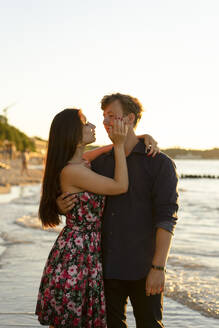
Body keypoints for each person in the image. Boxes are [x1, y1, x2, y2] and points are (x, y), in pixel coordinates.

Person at [58, 93, 179, 328]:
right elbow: (66, 174)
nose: (105, 123)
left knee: (150, 324)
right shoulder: (99, 163)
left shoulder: (160, 163)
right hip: (104, 267)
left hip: (143, 266)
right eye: (104, 117)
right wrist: (58, 203)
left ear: (130, 119)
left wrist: (158, 267)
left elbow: (167, 218)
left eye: (112, 116)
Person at [35, 108, 129, 328]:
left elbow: (91, 155)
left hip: (82, 251)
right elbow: (120, 186)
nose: (93, 127)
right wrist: (119, 145)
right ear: (73, 135)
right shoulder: (73, 172)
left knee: (76, 320)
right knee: (70, 321)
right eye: (86, 124)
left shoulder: (81, 163)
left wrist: (143, 138)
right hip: (76, 255)